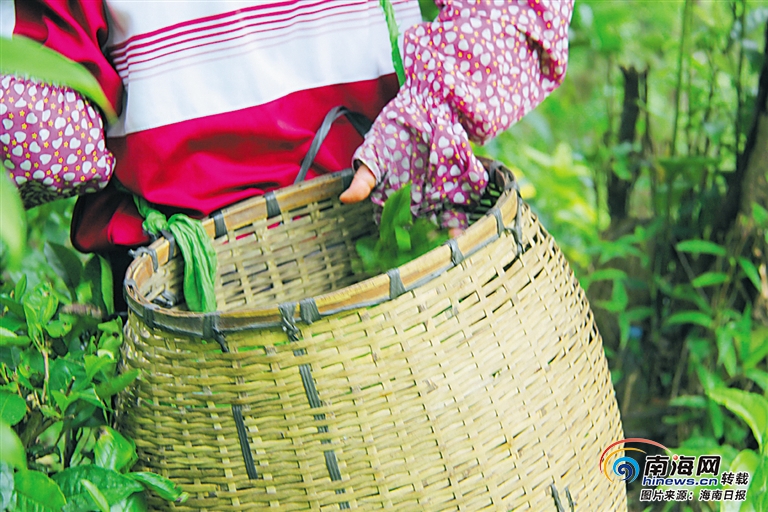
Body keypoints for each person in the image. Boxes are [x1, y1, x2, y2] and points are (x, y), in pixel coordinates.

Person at [3, 0, 573, 250]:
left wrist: (425, 119)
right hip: (388, 235)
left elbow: (51, 146)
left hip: (193, 289)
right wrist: (424, 123)